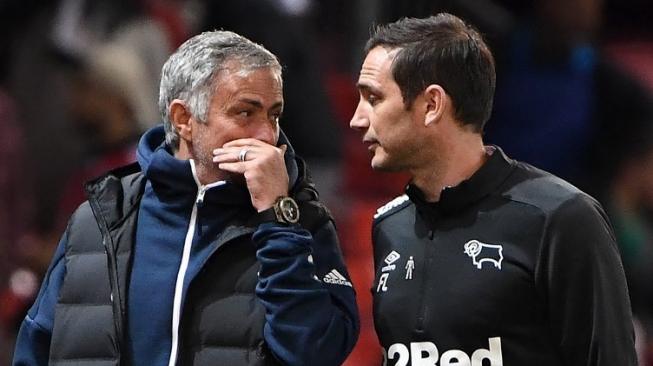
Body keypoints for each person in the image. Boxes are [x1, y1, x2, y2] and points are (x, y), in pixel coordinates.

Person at [13, 30, 359, 366]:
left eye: (274, 115)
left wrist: (277, 219)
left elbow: (318, 352)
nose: (267, 135)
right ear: (184, 120)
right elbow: (36, 347)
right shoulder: (99, 219)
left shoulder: (300, 220)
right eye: (245, 112)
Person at [349, 13, 637, 365]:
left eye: (373, 99)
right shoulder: (389, 227)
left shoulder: (560, 219)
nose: (357, 119)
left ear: (431, 105)